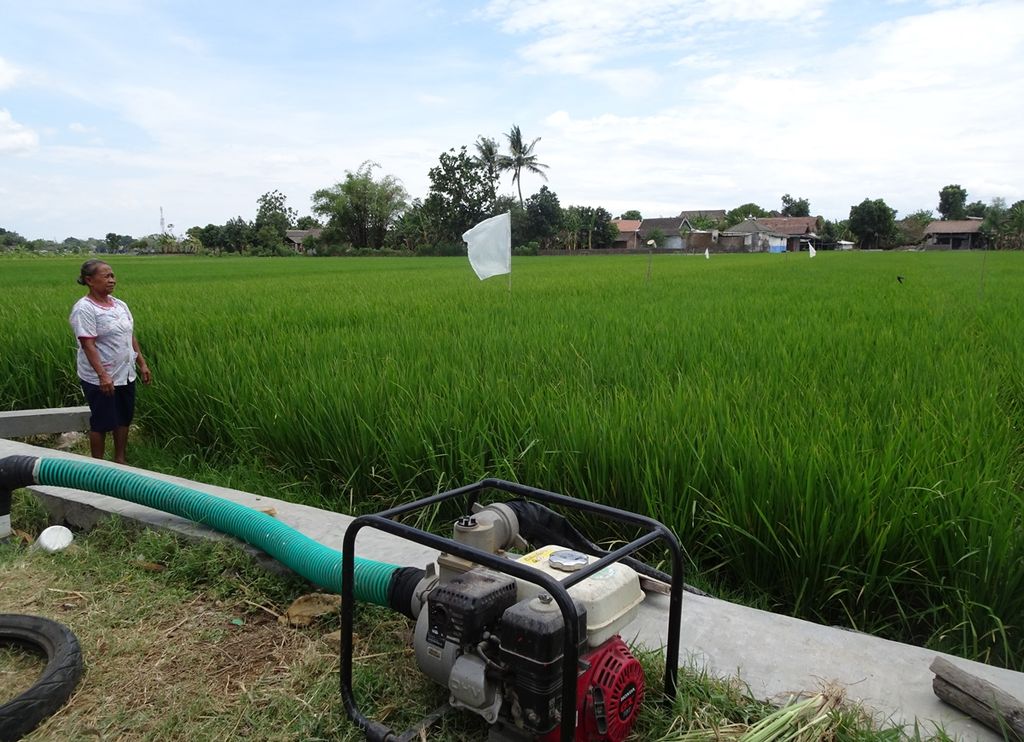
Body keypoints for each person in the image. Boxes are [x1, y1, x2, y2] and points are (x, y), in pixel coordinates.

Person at [69, 260, 152, 464]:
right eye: (106, 276)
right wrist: (102, 375)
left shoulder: (120, 305)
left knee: (124, 417)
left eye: (113, 276)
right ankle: (98, 466)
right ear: (89, 280)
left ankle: (120, 460)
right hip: (101, 376)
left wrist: (141, 363)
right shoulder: (84, 309)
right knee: (102, 421)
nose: (112, 280)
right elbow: (88, 344)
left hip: (125, 372)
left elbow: (130, 336)